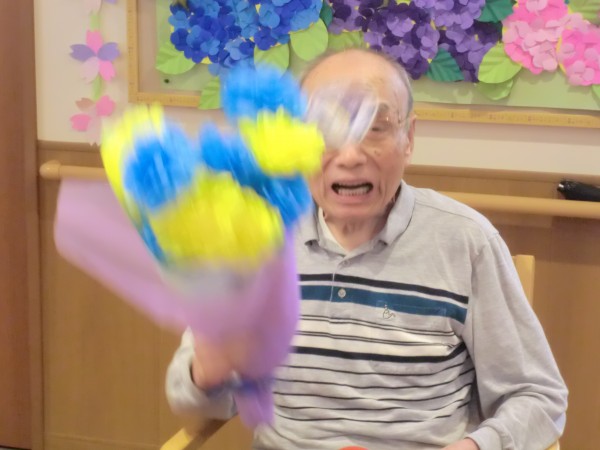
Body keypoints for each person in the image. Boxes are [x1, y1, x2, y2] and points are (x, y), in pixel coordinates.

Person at [165, 48, 568, 450]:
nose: (350, 156)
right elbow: (197, 397)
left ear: (408, 138)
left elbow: (538, 397)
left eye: (375, 127)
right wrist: (208, 371)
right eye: (324, 129)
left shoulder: (466, 241)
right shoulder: (257, 236)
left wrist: (476, 447)